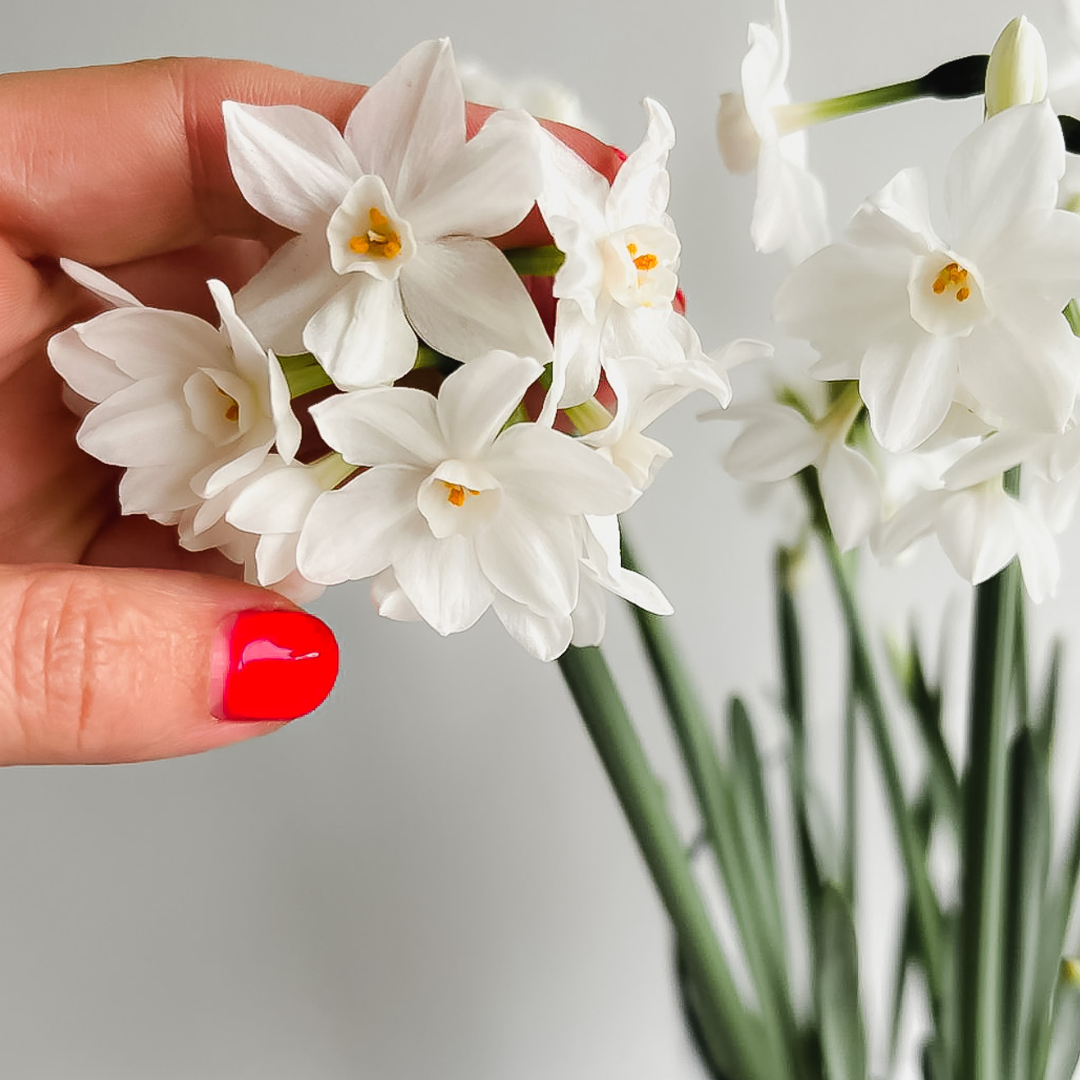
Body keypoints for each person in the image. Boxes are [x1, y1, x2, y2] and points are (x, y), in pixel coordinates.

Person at [0, 57, 621, 767]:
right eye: (371, 235)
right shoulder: (306, 331)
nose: (377, 239)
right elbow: (296, 323)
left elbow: (500, 336)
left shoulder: (435, 329)